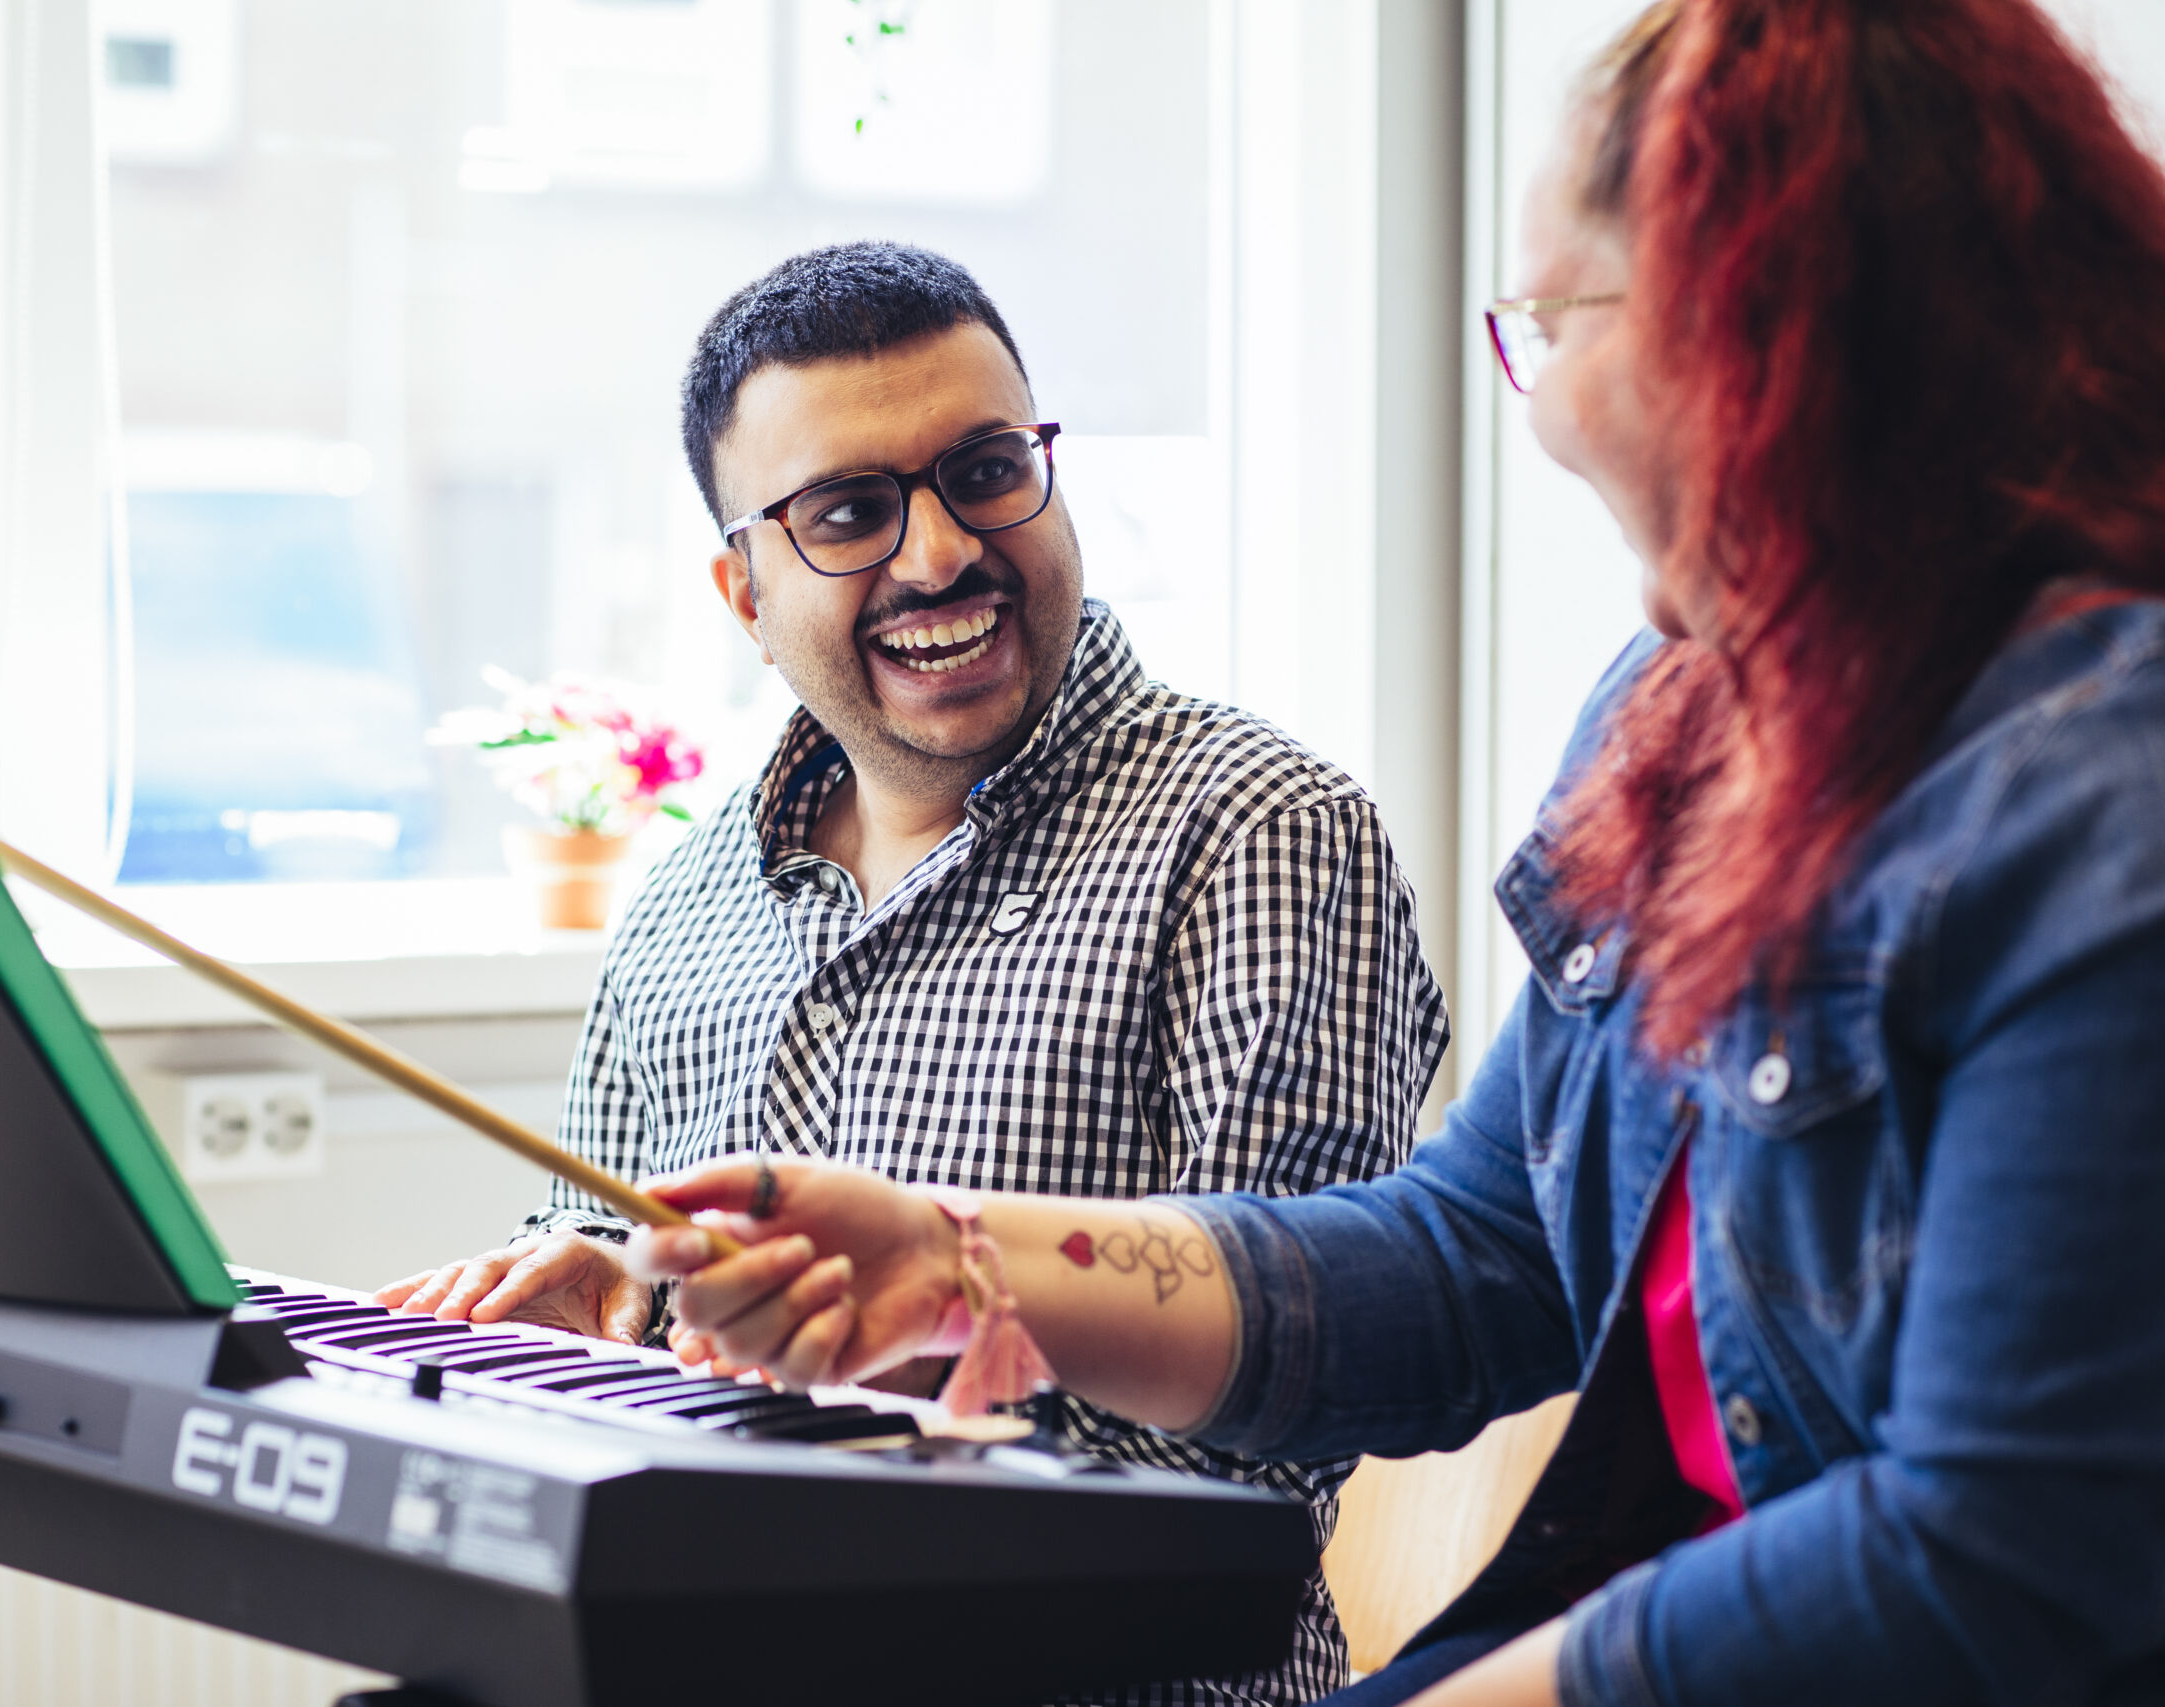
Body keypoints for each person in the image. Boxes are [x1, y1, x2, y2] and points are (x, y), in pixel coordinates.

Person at [629, 3, 2165, 1703]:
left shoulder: (2108, 785)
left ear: (1779, 337)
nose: (1544, 410)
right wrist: (961, 1255)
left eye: (1553, 322)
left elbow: (2006, 1557)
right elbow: (1476, 1255)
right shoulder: (1680, 712)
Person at [377, 242, 1450, 1702]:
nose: (941, 552)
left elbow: (1269, 1448)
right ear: (743, 591)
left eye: (988, 469)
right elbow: (621, 1283)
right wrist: (600, 1305)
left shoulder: (1258, 835)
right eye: (848, 513)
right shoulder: (688, 899)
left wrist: (891, 1378)